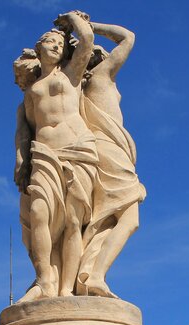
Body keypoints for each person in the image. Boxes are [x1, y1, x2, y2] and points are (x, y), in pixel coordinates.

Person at [14, 11, 97, 302]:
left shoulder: (72, 74)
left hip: (77, 149)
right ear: (39, 48)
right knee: (39, 214)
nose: (56, 46)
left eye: (60, 44)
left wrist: (72, 20)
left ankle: (66, 288)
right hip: (44, 153)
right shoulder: (30, 91)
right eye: (50, 41)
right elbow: (23, 131)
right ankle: (44, 281)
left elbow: (86, 40)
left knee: (74, 221)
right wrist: (21, 161)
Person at [77, 21, 146, 298]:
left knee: (103, 221)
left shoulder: (81, 86)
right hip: (110, 151)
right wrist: (89, 24)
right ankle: (95, 276)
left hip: (102, 150)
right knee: (130, 219)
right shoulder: (102, 75)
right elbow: (128, 37)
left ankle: (88, 274)